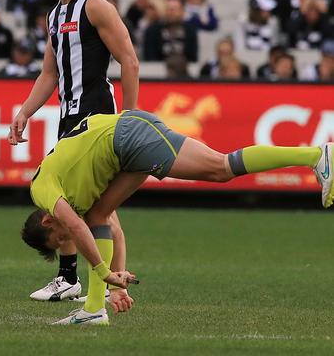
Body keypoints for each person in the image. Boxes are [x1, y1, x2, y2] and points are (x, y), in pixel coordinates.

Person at [22, 112, 334, 324]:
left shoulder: (43, 190)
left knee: (220, 167)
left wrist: (104, 273)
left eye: (61, 239)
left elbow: (78, 227)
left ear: (48, 221)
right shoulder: (73, 195)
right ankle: (93, 310)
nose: (69, 242)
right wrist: (117, 286)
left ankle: (315, 156)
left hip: (128, 136)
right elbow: (107, 228)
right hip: (122, 143)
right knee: (98, 215)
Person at [8, 0, 139, 303]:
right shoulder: (54, 15)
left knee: (99, 208)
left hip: (97, 115)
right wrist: (24, 112)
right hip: (69, 118)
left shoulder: (95, 6)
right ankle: (73, 280)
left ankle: (111, 285)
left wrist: (128, 119)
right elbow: (48, 74)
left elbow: (129, 60)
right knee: (67, 201)